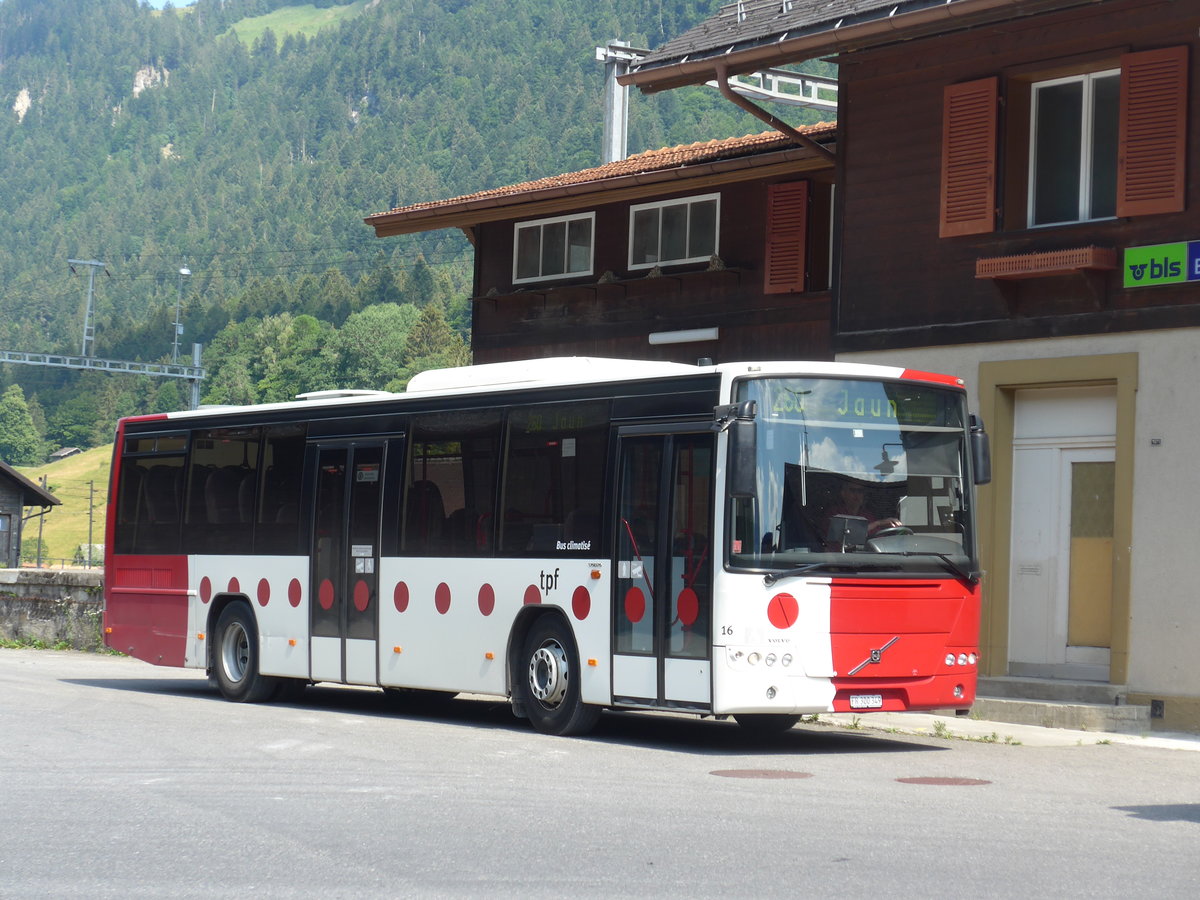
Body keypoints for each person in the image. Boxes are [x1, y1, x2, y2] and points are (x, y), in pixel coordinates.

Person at [823, 480, 902, 540]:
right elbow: (846, 535)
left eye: (860, 491)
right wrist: (878, 523)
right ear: (843, 493)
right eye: (853, 490)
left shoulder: (867, 515)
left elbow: (878, 538)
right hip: (838, 559)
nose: (857, 495)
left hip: (864, 558)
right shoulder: (834, 513)